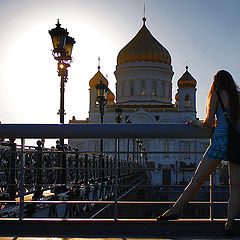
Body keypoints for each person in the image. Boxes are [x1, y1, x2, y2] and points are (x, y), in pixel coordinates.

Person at [156, 70, 240, 236]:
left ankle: (173, 211)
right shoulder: (238, 95)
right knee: (236, 187)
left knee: (197, 179)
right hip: (237, 144)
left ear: (216, 82)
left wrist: (195, 123)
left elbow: (208, 123)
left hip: (220, 142)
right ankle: (229, 226)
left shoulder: (215, 96)